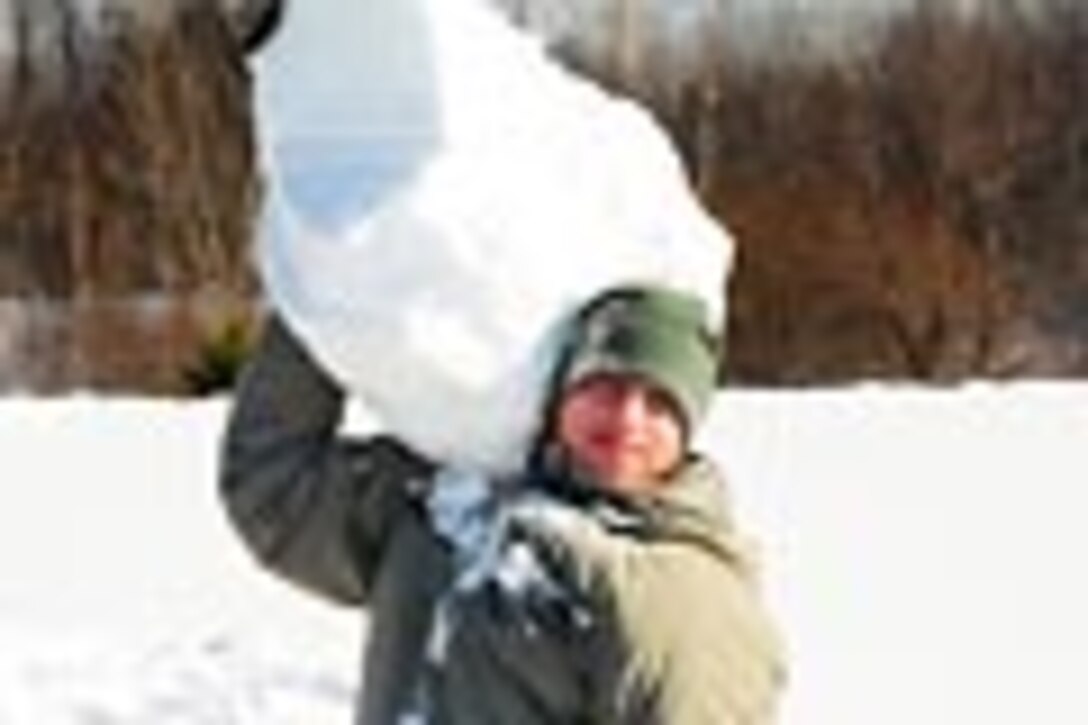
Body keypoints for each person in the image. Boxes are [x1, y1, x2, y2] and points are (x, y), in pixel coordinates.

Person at [219, 283, 786, 724]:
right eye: (606, 385)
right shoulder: (445, 504)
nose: (627, 420)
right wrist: (324, 296)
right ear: (563, 387)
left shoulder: (681, 591)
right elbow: (274, 487)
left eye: (661, 402)